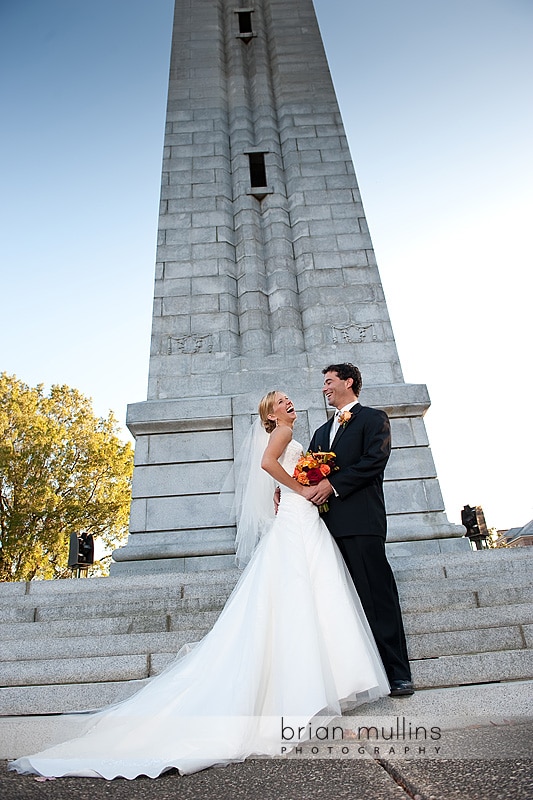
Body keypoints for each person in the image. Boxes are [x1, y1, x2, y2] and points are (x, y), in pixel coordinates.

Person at [9, 390, 389, 781]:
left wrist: (299, 486)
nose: (289, 403)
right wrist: (300, 489)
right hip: (297, 514)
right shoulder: (279, 434)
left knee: (309, 593)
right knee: (301, 592)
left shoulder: (293, 436)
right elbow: (267, 463)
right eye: (281, 401)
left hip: (300, 516)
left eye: (289, 399)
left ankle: (320, 681)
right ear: (270, 414)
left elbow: (281, 470)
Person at [302, 364, 414, 697]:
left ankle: (397, 674)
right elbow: (307, 470)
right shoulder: (322, 431)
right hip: (327, 529)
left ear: (348, 382)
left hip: (362, 524)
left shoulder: (373, 419)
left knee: (377, 599)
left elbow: (373, 461)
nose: (325, 388)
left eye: (329, 381)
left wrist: (332, 485)